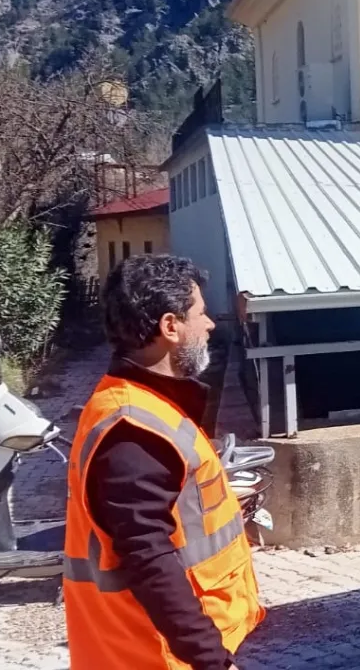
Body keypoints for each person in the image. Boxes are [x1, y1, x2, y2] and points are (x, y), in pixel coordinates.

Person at [63, 255, 265, 670]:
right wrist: (211, 659)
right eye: (201, 313)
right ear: (170, 326)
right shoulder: (132, 428)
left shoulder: (141, 404)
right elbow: (148, 558)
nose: (210, 325)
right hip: (157, 655)